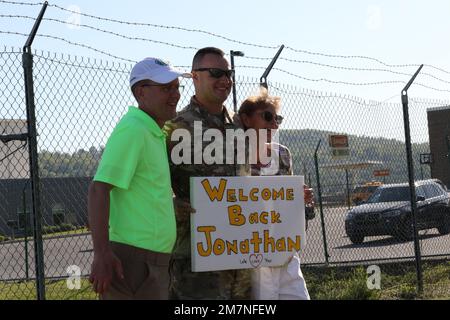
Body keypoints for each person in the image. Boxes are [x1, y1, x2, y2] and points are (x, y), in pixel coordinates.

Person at [88, 57, 189, 300]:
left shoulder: (152, 130)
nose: (175, 94)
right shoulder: (134, 129)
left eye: (177, 87)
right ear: (141, 92)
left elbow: (141, 187)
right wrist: (101, 254)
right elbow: (98, 189)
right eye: (166, 88)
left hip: (150, 262)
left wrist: (168, 205)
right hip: (134, 262)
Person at [164, 47, 251, 300]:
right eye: (216, 73)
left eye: (228, 73)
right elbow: (149, 180)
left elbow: (246, 182)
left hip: (239, 250)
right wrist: (168, 204)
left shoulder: (239, 126)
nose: (225, 80)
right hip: (194, 257)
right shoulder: (175, 127)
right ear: (195, 76)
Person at [237, 88, 310, 300]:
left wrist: (300, 199)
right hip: (251, 250)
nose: (274, 124)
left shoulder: (283, 154)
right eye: (267, 117)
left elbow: (287, 199)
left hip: (283, 247)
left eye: (277, 118)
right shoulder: (234, 154)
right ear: (246, 119)